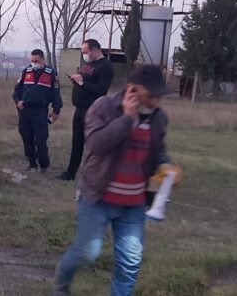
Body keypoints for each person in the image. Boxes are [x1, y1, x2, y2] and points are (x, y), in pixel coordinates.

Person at [53, 65, 172, 296]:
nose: (155, 101)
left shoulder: (159, 118)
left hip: (133, 204)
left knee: (130, 262)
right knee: (87, 252)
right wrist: (128, 118)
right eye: (150, 95)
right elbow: (96, 145)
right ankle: (61, 285)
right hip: (98, 197)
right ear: (132, 89)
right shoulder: (103, 107)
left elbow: (159, 151)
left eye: (159, 96)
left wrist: (166, 165)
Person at [58, 39, 114, 181]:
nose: (84, 55)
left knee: (94, 145)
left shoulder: (105, 66)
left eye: (85, 52)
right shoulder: (88, 64)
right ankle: (70, 173)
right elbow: (85, 81)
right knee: (76, 142)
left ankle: (97, 175)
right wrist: (76, 80)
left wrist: (82, 83)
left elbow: (101, 90)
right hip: (79, 108)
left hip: (93, 111)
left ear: (94, 50)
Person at [13, 49, 62, 173]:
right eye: (32, 61)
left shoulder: (51, 73)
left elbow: (56, 93)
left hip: (40, 111)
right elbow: (17, 90)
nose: (34, 63)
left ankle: (44, 164)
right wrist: (17, 101)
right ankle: (32, 163)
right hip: (25, 110)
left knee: (41, 139)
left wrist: (56, 111)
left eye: (36, 61)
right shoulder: (26, 71)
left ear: (42, 59)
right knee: (26, 137)